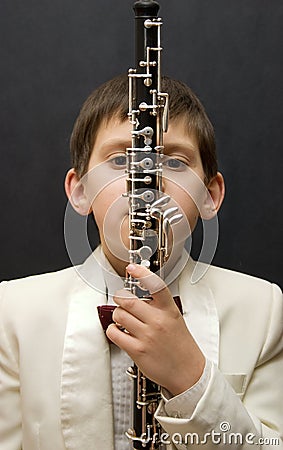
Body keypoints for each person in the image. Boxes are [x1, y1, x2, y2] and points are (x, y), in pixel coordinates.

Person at [0, 74, 282, 450]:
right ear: (80, 192)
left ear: (209, 195)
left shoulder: (264, 309)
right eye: (120, 159)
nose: (145, 181)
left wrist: (190, 380)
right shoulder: (12, 311)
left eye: (176, 162)